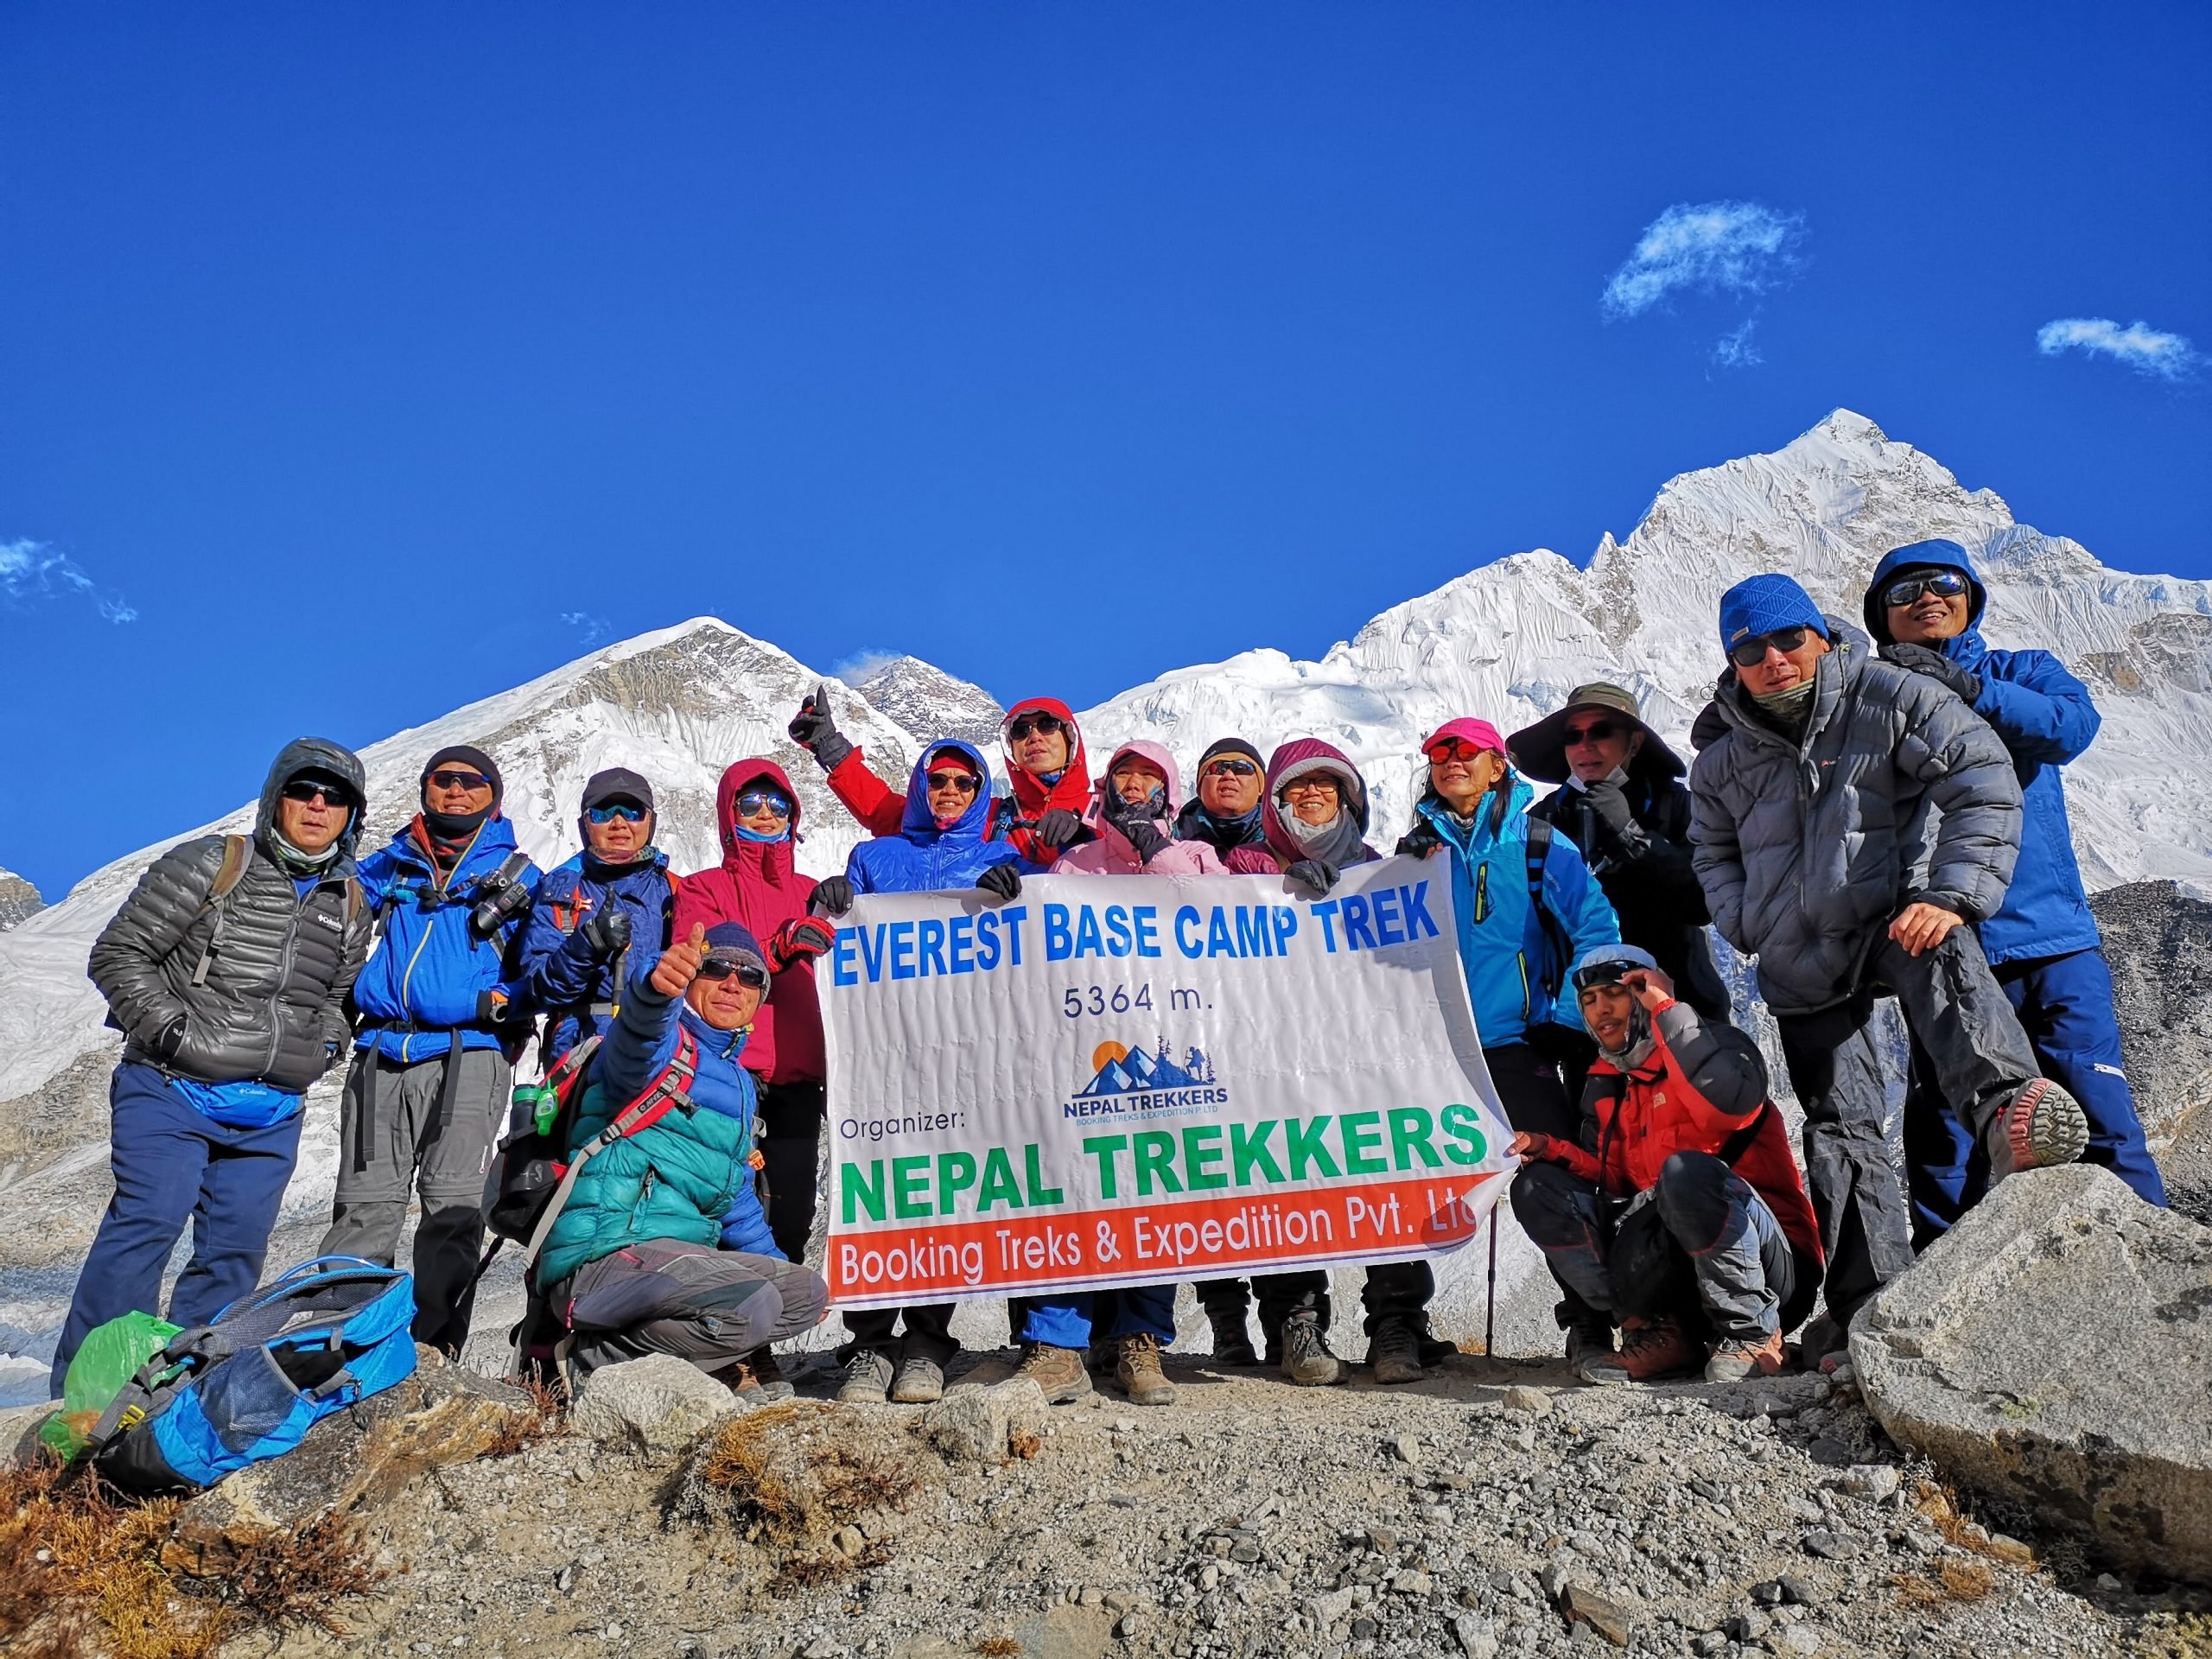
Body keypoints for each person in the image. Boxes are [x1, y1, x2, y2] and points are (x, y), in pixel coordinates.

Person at [1689, 573, 2089, 1360]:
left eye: (1788, 639)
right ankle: (1868, 1306)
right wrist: (1746, 923)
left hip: (1887, 914)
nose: (1773, 659)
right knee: (1840, 1128)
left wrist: (1957, 892)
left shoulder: (1888, 694)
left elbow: (1981, 774)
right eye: (1751, 649)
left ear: (1822, 637)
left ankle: (2013, 1112)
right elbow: (1711, 849)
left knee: (1937, 944)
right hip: (1797, 951)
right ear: (1733, 663)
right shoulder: (1720, 761)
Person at [1861, 541, 2167, 1237]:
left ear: (1970, 597)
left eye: (1942, 584)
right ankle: (1942, 1305)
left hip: (2051, 939)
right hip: (1940, 950)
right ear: (1882, 619)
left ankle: (2151, 1274)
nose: (1926, 599)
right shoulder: (1870, 704)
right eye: (1904, 593)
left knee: (2100, 1114)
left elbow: (2070, 728)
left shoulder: (2020, 673)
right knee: (1946, 1138)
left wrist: (1970, 690)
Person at [56, 739, 372, 1394]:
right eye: (303, 790)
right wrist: (174, 1033)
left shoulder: (348, 902)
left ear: (351, 814)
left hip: (270, 1111)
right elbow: (118, 955)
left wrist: (324, 1050)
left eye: (334, 796)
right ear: (275, 796)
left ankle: (180, 1397)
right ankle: (86, 1397)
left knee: (233, 1259)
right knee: (145, 1228)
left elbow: (338, 1000)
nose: (317, 806)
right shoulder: (209, 864)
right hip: (171, 1087)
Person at [811, 740, 1039, 1404]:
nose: (948, 791)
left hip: (967, 1052)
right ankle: (869, 1342)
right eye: (936, 780)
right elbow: (837, 936)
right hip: (884, 1050)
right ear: (919, 786)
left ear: (980, 792)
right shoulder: (875, 858)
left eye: (963, 783)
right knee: (881, 1183)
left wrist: (1019, 891)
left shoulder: (1002, 857)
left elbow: (1035, 941)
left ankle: (927, 1340)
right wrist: (834, 902)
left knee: (942, 1190)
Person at [1002, 741, 1229, 1408]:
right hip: (1082, 1045)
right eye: (1123, 776)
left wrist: (1152, 850)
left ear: (1169, 787)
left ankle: (1140, 1341)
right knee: (1064, 1182)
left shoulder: (1193, 854)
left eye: (1148, 776)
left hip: (1166, 1041)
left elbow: (1217, 915)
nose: (1134, 786)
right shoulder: (1078, 858)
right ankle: (1057, 1343)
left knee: (1153, 1187)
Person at [1394, 717, 1623, 1373]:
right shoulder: (1416, 853)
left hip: (1519, 1041)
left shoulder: (1541, 845)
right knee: (1406, 1177)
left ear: (1499, 765)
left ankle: (1590, 1326)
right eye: (1438, 752)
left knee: (1555, 1180)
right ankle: (1397, 1325)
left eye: (1465, 750)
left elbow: (1596, 925)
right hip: (1437, 1047)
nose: (1449, 760)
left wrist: (1569, 1017)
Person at [534, 921, 827, 1390]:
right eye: (716, 970)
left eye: (751, 977)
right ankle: (594, 1357)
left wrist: (781, 1268)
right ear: (691, 979)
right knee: (751, 1307)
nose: (734, 983)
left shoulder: (738, 1085)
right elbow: (638, 1036)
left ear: (759, 997)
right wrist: (655, 989)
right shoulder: (663, 1047)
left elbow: (735, 1204)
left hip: (676, 1264)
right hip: (609, 1254)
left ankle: (682, 1357)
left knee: (803, 1294)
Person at [1509, 947, 1823, 1383]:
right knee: (1537, 1187)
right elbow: (1615, 1177)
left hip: (1769, 1266)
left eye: (1614, 994)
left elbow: (1725, 1109)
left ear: (1643, 992)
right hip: (1682, 1259)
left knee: (1686, 1173)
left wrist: (1666, 1010)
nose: (1600, 1009)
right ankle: (1661, 1334)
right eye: (1588, 1000)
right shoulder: (1610, 1084)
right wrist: (1548, 1149)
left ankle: (1753, 1334)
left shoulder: (1720, 1047)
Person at [324, 745, 541, 1357]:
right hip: (382, 1050)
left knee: (451, 1208)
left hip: (470, 1054)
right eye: (442, 779)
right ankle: (345, 1347)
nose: (456, 790)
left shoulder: (521, 876)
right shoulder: (390, 865)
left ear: (492, 796)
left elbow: (546, 965)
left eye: (472, 782)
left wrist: (494, 1005)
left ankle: (430, 1354)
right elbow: (324, 909)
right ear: (424, 790)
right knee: (364, 1205)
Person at [673, 760, 836, 1266]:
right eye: (750, 804)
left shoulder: (812, 892)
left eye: (777, 804)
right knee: (724, 1201)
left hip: (799, 1075)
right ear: (729, 814)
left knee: (792, 1211)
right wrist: (779, 947)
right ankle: (734, 1339)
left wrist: (847, 904)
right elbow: (696, 961)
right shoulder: (703, 889)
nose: (764, 813)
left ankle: (765, 1325)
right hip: (725, 1070)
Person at [1508, 683, 1732, 1022]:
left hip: (1680, 1010)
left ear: (1634, 743)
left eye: (1601, 731)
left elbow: (1704, 903)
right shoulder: (1544, 822)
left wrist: (1631, 834)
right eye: (1573, 735)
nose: (1586, 746)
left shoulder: (1678, 807)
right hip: (1585, 1021)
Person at [790, 683, 1093, 866]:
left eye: (1047, 725)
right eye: (1021, 730)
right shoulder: (988, 816)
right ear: (1011, 746)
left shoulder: (1106, 811)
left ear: (1070, 738)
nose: (1035, 737)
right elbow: (889, 813)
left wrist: (1086, 838)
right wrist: (832, 750)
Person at [518, 767, 679, 1067]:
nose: (619, 822)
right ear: (585, 825)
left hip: (659, 1049)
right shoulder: (559, 892)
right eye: (604, 812)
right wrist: (587, 945)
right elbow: (540, 990)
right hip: (578, 1052)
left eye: (633, 811)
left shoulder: (676, 891)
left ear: (650, 822)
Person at [1172, 738, 1281, 874]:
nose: (1228, 776)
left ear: (1261, 788)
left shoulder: (1284, 841)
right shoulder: (1170, 839)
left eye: (1242, 768)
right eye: (1217, 769)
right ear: (1199, 790)